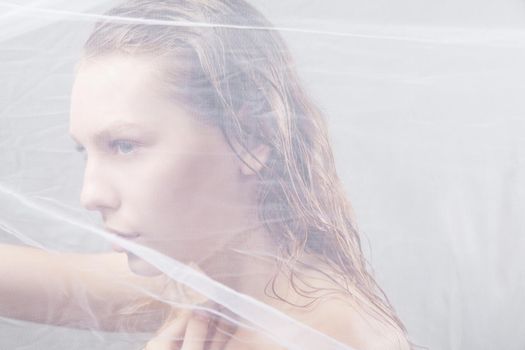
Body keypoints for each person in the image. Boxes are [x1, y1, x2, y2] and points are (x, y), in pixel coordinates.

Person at [1, 0, 417, 349]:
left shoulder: (322, 336)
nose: (90, 195)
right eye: (84, 150)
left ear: (252, 135)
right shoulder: (203, 284)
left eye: (125, 146)